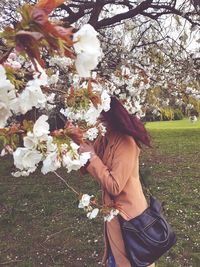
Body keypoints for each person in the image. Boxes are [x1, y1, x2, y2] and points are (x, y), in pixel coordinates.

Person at [79, 96, 155, 267]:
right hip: (115, 217)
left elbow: (115, 185)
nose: (95, 120)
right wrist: (78, 141)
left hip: (131, 218)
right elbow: (86, 167)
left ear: (108, 114)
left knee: (132, 260)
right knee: (118, 259)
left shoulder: (126, 141)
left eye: (97, 115)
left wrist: (91, 155)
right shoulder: (105, 136)